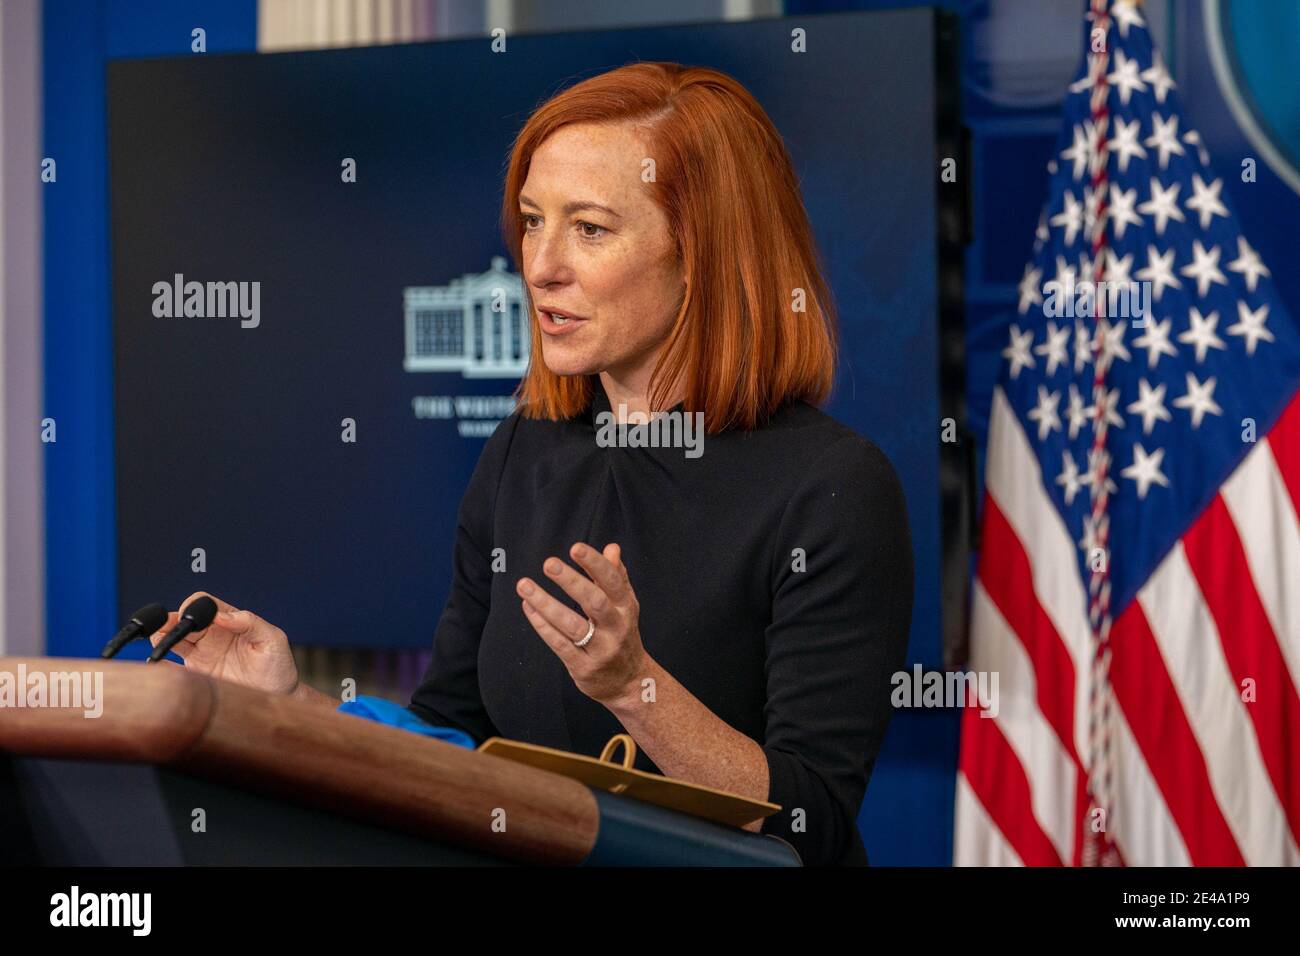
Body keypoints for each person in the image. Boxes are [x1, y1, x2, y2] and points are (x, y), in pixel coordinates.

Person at [151, 61, 913, 867]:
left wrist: (632, 687)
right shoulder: (526, 451)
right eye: (532, 220)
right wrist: (289, 705)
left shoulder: (832, 490)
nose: (540, 264)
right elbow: (456, 736)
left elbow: (813, 823)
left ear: (703, 253)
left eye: (589, 228)